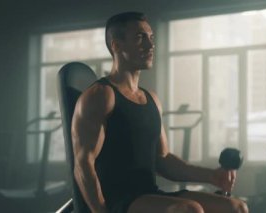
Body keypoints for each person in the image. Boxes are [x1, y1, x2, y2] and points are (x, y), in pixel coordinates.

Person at [72, 11, 249, 213]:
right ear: (116, 45)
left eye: (151, 38)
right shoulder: (101, 96)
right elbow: (83, 164)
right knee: (190, 210)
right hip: (118, 201)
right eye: (140, 38)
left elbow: (163, 160)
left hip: (150, 194)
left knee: (236, 208)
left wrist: (211, 176)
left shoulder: (151, 100)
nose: (150, 45)